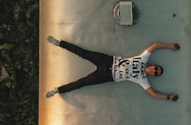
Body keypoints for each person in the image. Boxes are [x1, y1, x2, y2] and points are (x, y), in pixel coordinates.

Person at [44, 36, 180, 101]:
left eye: (155, 73)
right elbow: (155, 45)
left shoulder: (142, 79)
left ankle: (57, 90)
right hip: (108, 60)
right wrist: (171, 46)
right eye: (155, 68)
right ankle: (59, 43)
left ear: (153, 75)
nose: (153, 71)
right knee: (83, 52)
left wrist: (168, 97)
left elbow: (153, 93)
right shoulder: (143, 60)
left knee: (83, 83)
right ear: (153, 65)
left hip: (108, 76)